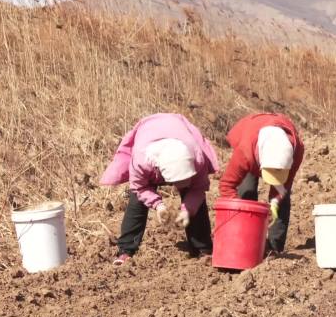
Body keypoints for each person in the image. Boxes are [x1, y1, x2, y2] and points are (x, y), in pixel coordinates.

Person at [99, 113, 219, 264]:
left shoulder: (197, 158)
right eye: (178, 181)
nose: (181, 184)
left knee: (195, 198)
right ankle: (126, 251)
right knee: (137, 201)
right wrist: (159, 206)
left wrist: (187, 211)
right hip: (150, 133)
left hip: (177, 131)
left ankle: (203, 249)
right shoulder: (141, 161)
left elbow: (198, 188)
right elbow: (140, 188)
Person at [218, 113, 304, 254]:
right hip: (250, 138)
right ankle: (244, 241)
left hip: (269, 151)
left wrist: (275, 203)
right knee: (246, 191)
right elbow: (226, 185)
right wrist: (240, 210)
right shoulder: (245, 152)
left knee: (282, 200)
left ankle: (274, 248)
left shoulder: (297, 151)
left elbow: (283, 187)